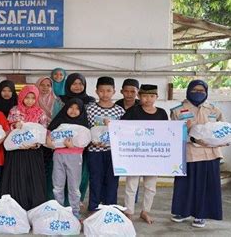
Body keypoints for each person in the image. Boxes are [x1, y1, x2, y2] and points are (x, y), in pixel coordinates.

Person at [170, 80, 225, 228]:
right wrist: (192, 136)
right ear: (188, 91)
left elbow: (223, 130)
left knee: (205, 186)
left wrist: (223, 140)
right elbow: (174, 133)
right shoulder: (177, 110)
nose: (199, 93)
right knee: (185, 185)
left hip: (211, 154)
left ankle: (201, 215)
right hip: (188, 153)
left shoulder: (213, 109)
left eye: (202, 90)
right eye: (195, 90)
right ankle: (182, 211)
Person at [121, 84, 168, 224]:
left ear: (157, 97)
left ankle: (145, 211)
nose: (148, 99)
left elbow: (167, 133)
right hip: (135, 154)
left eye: (152, 96)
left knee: (150, 186)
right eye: (145, 96)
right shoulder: (133, 111)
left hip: (153, 155)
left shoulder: (162, 113)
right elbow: (122, 129)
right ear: (139, 97)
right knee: (131, 185)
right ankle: (129, 212)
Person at [0, 85, 48, 210]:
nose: (30, 100)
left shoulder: (40, 112)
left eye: (33, 98)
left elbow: (43, 131)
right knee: (17, 176)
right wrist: (15, 125)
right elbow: (7, 128)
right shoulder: (14, 110)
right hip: (17, 150)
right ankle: (16, 204)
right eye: (27, 97)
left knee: (32, 177)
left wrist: (36, 144)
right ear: (21, 97)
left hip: (33, 151)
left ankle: (33, 205)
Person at [86, 76, 125, 212]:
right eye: (102, 91)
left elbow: (123, 132)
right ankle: (94, 208)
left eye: (108, 91)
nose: (105, 94)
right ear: (96, 91)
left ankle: (110, 208)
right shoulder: (90, 109)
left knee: (112, 181)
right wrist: (92, 141)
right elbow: (86, 129)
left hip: (113, 153)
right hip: (94, 152)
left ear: (114, 91)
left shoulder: (119, 111)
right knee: (95, 180)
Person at [46, 98, 89, 219]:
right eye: (71, 107)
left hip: (74, 157)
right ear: (66, 108)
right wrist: (48, 140)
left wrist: (73, 146)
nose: (73, 111)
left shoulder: (83, 124)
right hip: (58, 156)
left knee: (74, 187)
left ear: (81, 111)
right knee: (57, 185)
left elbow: (84, 142)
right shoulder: (59, 121)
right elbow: (50, 134)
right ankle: (58, 210)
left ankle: (75, 211)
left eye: (77, 109)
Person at [59, 72, 95, 205]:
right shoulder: (60, 99)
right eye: (74, 83)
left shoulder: (90, 101)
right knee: (61, 171)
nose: (77, 86)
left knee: (82, 171)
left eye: (81, 84)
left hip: (83, 143)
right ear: (68, 84)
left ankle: (77, 199)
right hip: (63, 143)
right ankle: (60, 199)